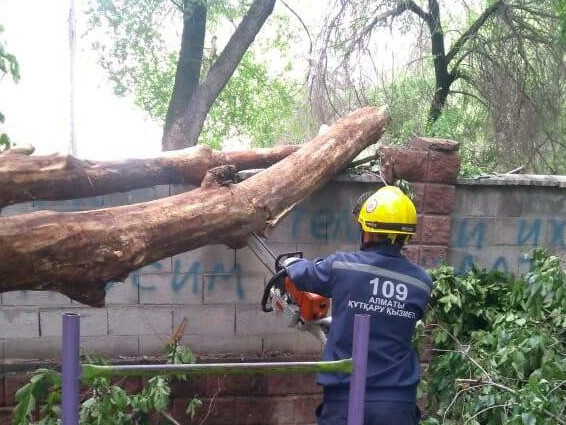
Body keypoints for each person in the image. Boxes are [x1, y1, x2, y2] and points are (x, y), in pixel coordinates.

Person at [283, 185, 433, 425]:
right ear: (406, 235)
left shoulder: (343, 267)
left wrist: (291, 263)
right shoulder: (421, 282)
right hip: (397, 404)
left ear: (367, 231)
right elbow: (389, 319)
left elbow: (302, 273)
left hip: (345, 398)